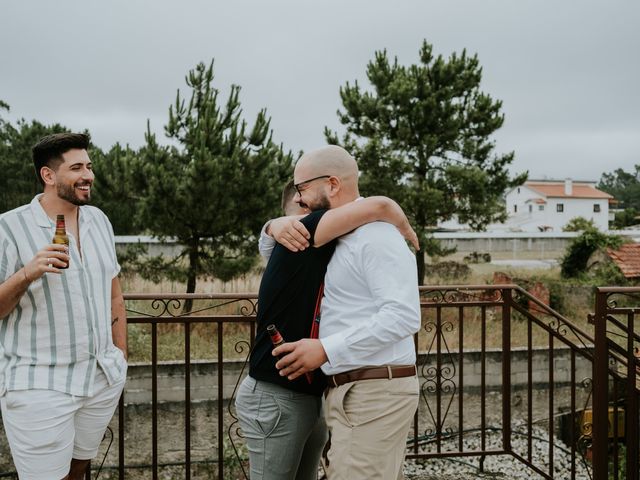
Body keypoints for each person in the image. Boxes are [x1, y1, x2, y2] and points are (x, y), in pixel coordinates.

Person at [235, 179, 417, 480]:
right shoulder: (304, 233)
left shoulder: (311, 244)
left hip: (309, 393)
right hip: (277, 393)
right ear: (297, 209)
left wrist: (272, 226)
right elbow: (379, 205)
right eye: (303, 202)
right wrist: (403, 226)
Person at [0, 133, 128, 480]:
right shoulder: (8, 228)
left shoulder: (98, 220)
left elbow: (114, 292)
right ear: (49, 175)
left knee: (78, 469)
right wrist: (28, 272)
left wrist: (120, 356)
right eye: (77, 168)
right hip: (40, 385)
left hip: (101, 377)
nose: (88, 175)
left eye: (89, 166)